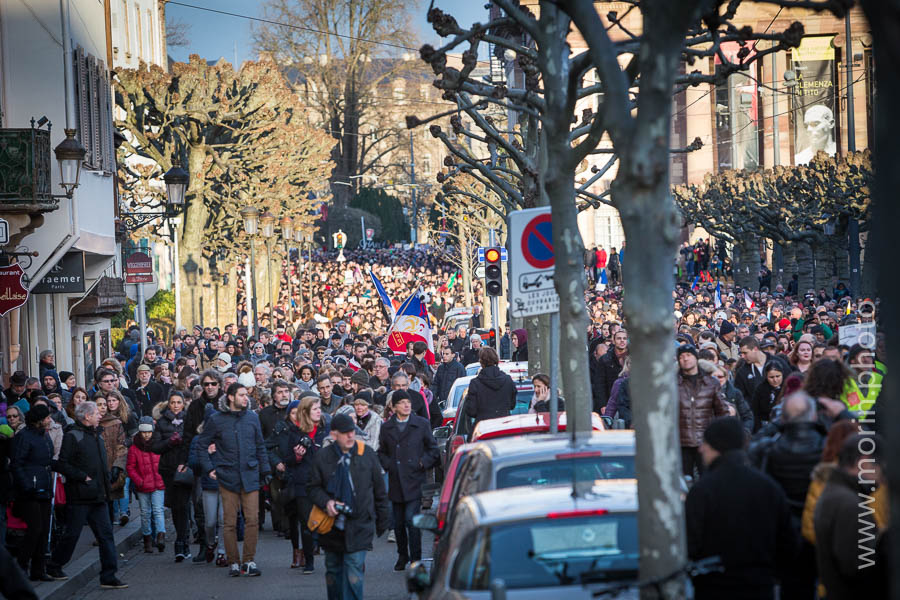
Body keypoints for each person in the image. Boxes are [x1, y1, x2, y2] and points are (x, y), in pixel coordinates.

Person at [686, 417, 797, 599]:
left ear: (717, 446)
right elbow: (788, 542)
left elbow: (690, 543)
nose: (700, 448)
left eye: (705, 442)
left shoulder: (702, 490)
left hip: (713, 588)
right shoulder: (767, 487)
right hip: (759, 587)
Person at [308, 412, 390, 600]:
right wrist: (326, 502)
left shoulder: (366, 454)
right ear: (334, 435)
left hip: (359, 524)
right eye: (345, 433)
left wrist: (382, 521)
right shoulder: (323, 457)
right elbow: (312, 488)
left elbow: (380, 491)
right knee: (333, 573)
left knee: (354, 575)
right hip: (331, 527)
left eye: (352, 431)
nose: (351, 435)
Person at [47, 401, 127, 588]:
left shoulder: (97, 436)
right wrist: (83, 477)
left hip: (99, 495)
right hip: (80, 496)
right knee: (72, 535)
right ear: (86, 416)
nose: (100, 415)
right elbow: (61, 464)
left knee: (106, 536)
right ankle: (54, 565)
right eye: (97, 413)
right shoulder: (72, 436)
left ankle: (109, 576)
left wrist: (108, 477)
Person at [196, 383, 271, 578]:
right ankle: (234, 562)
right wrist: (209, 468)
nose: (246, 398)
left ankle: (249, 560)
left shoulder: (252, 418)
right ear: (231, 397)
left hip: (250, 475)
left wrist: (265, 470)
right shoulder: (216, 419)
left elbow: (260, 446)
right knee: (228, 522)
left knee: (252, 520)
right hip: (227, 476)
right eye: (242, 395)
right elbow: (201, 445)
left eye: (247, 395)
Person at [813, 433, 884, 599]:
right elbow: (859, 569)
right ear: (865, 461)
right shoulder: (849, 504)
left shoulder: (834, 493)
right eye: (881, 466)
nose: (881, 477)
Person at [378, 391, 440, 571]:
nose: (406, 405)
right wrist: (389, 464)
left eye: (408, 402)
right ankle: (402, 554)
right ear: (394, 406)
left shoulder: (421, 424)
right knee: (398, 523)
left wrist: (422, 462)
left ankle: (416, 558)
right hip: (396, 480)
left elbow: (433, 449)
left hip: (414, 479)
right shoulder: (387, 427)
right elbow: (382, 452)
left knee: (412, 521)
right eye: (402, 403)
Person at [273, 396, 329, 572]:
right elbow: (287, 459)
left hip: (325, 482)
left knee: (327, 521)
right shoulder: (295, 433)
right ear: (305, 412)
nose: (319, 411)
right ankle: (309, 561)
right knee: (306, 523)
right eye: (314, 409)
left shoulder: (325, 429)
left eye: (319, 408)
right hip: (303, 482)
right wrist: (297, 456)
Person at [10, 404, 54, 581]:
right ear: (39, 421)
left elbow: (48, 459)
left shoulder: (44, 435)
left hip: (44, 486)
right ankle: (20, 567)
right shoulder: (24, 437)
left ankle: (38, 569)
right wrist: (27, 485)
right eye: (47, 418)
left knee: (43, 530)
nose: (49, 420)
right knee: (35, 529)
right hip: (29, 491)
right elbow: (16, 463)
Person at [677, 345, 730, 478]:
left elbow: (722, 412)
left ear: (696, 358)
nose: (685, 359)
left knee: (708, 478)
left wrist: (720, 438)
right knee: (683, 482)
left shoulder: (711, 383)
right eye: (681, 357)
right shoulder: (673, 384)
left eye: (688, 355)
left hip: (706, 440)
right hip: (681, 442)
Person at [152, 390, 193, 562]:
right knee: (176, 506)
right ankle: (181, 541)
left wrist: (183, 442)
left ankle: (183, 541)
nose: (176, 405)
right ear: (168, 404)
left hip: (186, 467)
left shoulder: (190, 421)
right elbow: (155, 447)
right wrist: (170, 442)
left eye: (179, 402)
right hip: (168, 468)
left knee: (184, 504)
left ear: (183, 404)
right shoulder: (161, 423)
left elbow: (195, 442)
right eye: (173, 402)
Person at [187, 405, 226, 566]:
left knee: (224, 520)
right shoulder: (199, 439)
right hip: (209, 485)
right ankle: (211, 543)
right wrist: (207, 454)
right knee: (210, 522)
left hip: (226, 484)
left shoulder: (225, 438)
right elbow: (193, 463)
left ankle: (222, 553)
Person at [127, 416, 166, 554]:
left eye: (149, 431)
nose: (147, 434)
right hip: (143, 485)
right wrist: (139, 481)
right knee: (145, 513)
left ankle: (161, 536)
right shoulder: (134, 448)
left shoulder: (158, 444)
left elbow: (164, 461)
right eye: (144, 432)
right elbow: (130, 467)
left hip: (158, 483)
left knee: (158, 510)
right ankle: (147, 540)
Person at [95, 395, 128, 526]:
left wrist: (118, 466)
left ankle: (107, 531)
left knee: (108, 501)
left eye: (104, 404)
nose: (103, 407)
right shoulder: (90, 423)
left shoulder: (115, 422)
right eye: (99, 404)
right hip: (96, 467)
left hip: (110, 465)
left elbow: (121, 445)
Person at [464, 347, 516, 425]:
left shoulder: (475, 383)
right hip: (505, 425)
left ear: (481, 362)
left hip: (484, 427)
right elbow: (512, 404)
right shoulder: (507, 380)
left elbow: (471, 410)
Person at [594, 329, 628, 412]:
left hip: (628, 402)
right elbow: (599, 383)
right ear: (614, 340)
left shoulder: (634, 358)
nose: (622, 341)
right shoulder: (605, 359)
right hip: (610, 402)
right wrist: (603, 404)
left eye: (624, 338)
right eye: (619, 338)